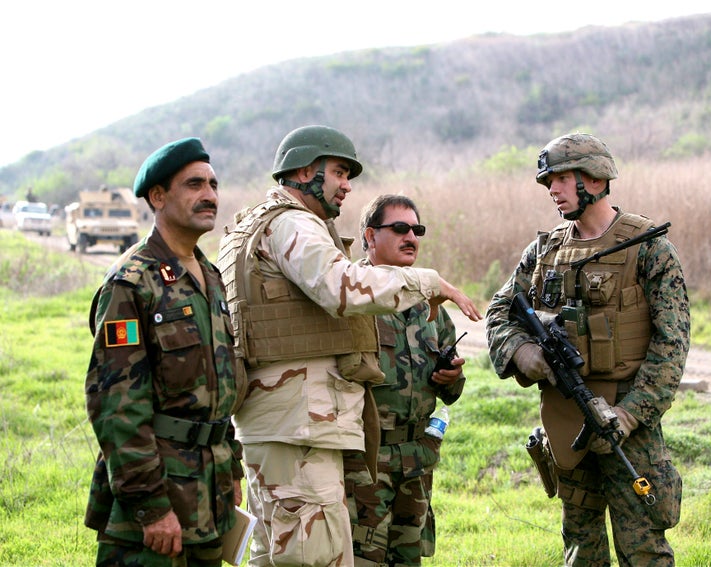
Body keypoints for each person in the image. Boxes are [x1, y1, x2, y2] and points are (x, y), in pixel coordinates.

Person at [217, 125, 480, 566]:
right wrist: (429, 281)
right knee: (316, 557)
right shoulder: (292, 223)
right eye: (339, 172)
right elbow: (342, 286)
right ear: (304, 170)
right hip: (299, 425)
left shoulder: (252, 227)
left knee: (276, 556)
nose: (346, 185)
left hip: (282, 423)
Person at [485, 132, 689, 566]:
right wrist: (524, 353)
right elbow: (499, 311)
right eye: (547, 183)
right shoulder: (545, 251)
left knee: (644, 551)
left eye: (560, 178)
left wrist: (630, 414)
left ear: (594, 178)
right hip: (565, 422)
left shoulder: (649, 247)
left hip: (627, 429)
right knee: (580, 549)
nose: (552, 190)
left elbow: (671, 346)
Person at [84, 138, 246, 567]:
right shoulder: (131, 282)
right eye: (194, 184)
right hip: (160, 502)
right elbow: (116, 405)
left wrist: (232, 471)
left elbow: (218, 385)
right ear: (158, 196)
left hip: (210, 498)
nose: (210, 195)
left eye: (213, 184)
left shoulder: (209, 277)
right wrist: (151, 507)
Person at [344, 194, 467, 567]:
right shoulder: (349, 300)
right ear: (369, 236)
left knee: (408, 560)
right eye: (399, 228)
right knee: (362, 559)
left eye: (417, 230)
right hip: (366, 466)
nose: (411, 236)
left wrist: (452, 376)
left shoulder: (427, 305)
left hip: (416, 462)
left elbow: (451, 390)